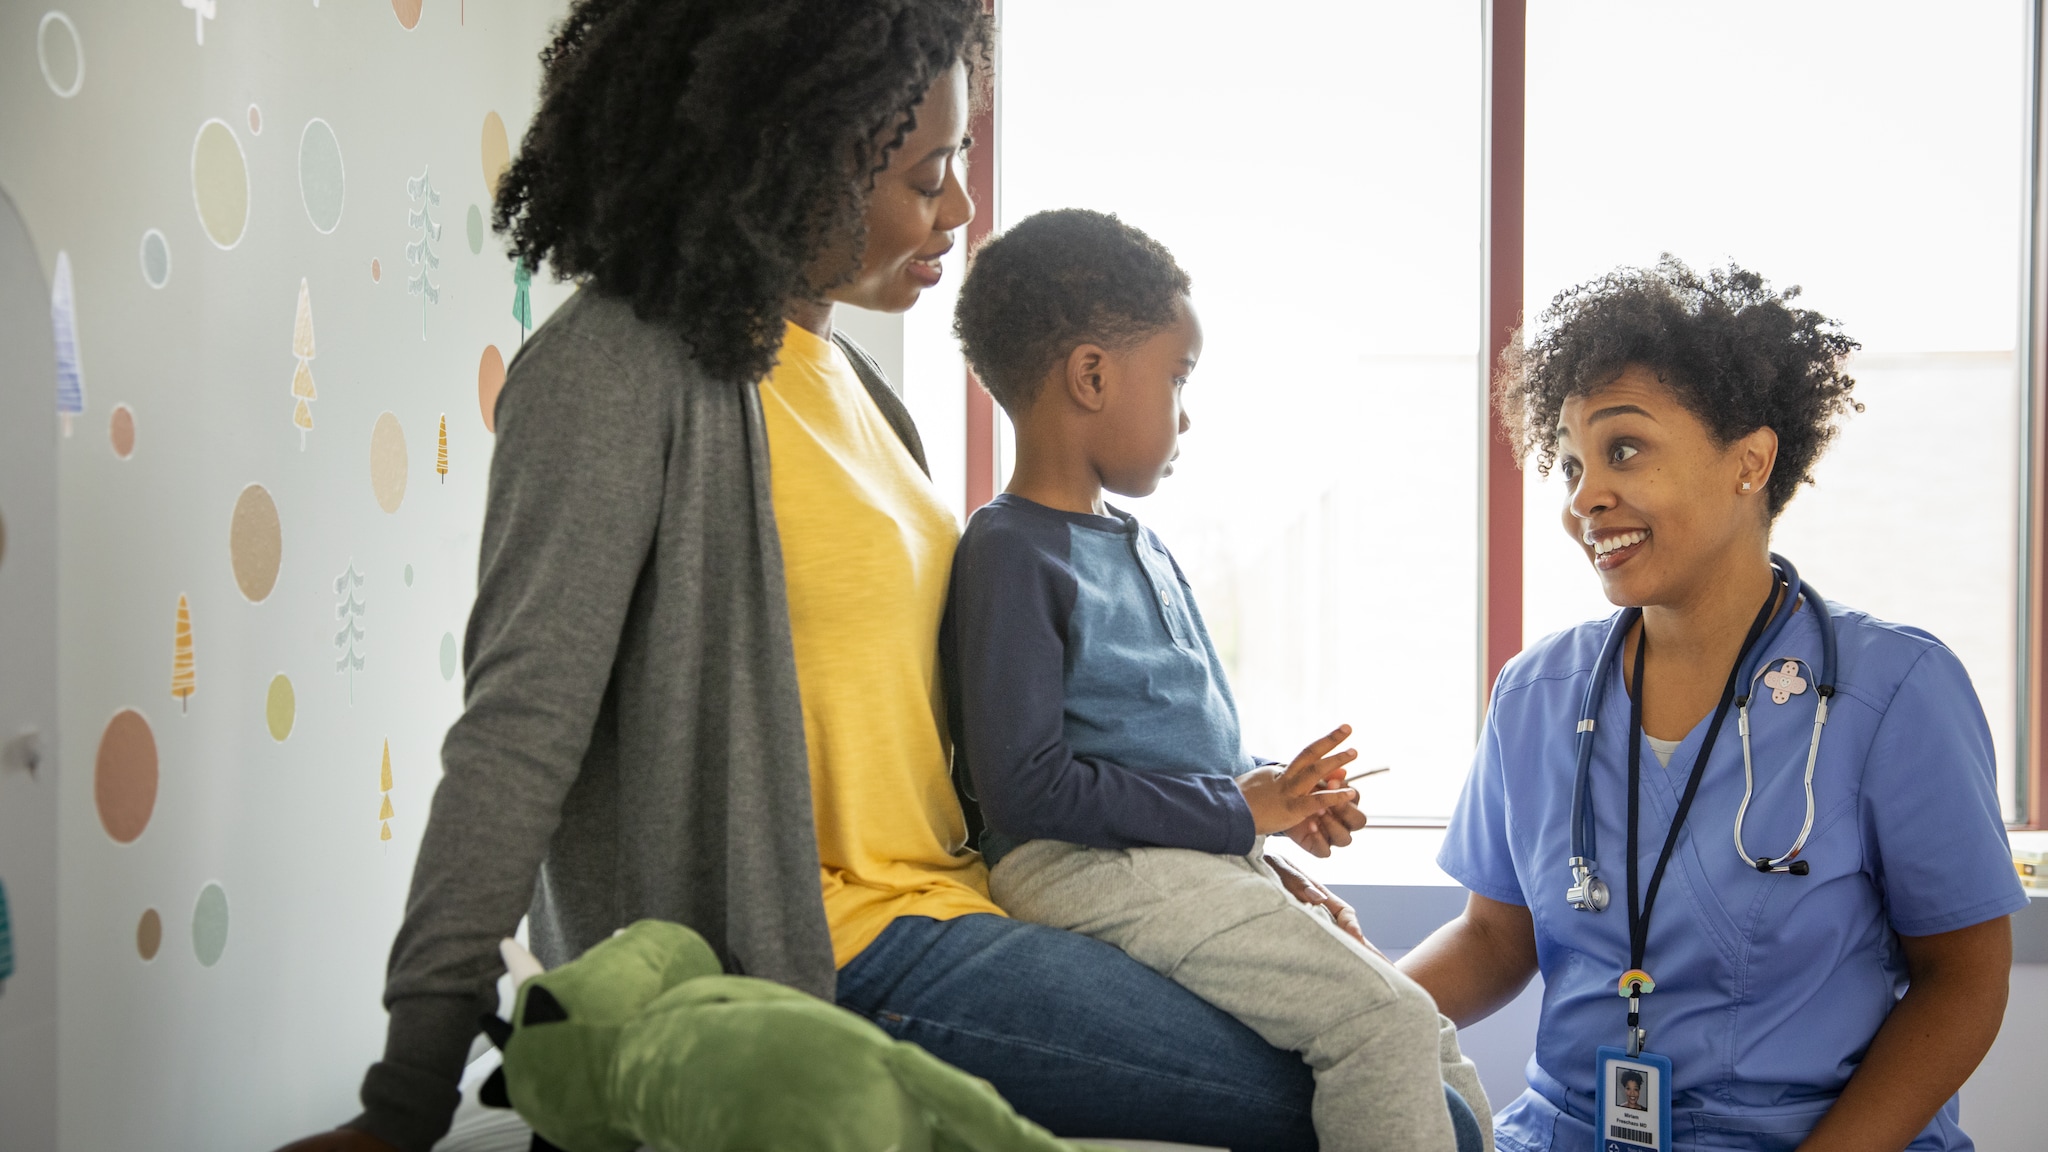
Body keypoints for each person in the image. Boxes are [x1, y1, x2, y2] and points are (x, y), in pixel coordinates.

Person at [274, 4, 1372, 1150]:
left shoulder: (866, 396)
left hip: (965, 905)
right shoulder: (616, 369)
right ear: (783, 157)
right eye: (928, 172)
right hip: (830, 952)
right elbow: (515, 738)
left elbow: (996, 746)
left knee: (1384, 1045)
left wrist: (1230, 866)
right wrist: (403, 1101)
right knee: (1373, 1088)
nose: (959, 208)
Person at [1400, 258, 2024, 1152]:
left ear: (1751, 461)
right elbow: (1496, 941)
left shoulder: (1895, 690)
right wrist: (1354, 1014)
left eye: (1623, 449)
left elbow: (1963, 979)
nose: (1584, 499)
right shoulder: (1536, 695)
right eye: (1570, 462)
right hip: (1570, 1134)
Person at [944, 208, 1489, 1152]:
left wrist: (1282, 801)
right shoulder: (1008, 552)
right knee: (1381, 1026)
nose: (1186, 412)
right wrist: (1243, 812)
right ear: (1092, 375)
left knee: (1425, 1024)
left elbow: (1177, 745)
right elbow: (1025, 788)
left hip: (1180, 860)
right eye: (1179, 377)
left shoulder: (1139, 544)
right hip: (1082, 868)